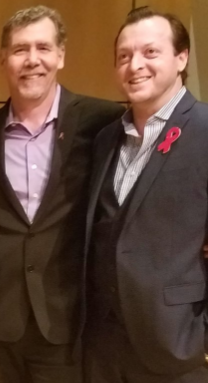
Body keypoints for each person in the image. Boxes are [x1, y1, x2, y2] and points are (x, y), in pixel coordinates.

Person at [0, 6, 124, 383]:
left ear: (61, 55)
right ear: (4, 58)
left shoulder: (103, 122)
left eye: (43, 47)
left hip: (67, 318)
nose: (32, 60)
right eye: (20, 49)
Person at [83, 7, 208, 382]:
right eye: (124, 56)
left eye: (150, 52)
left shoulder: (205, 130)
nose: (135, 65)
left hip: (178, 347)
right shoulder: (106, 138)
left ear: (181, 57)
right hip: (104, 347)